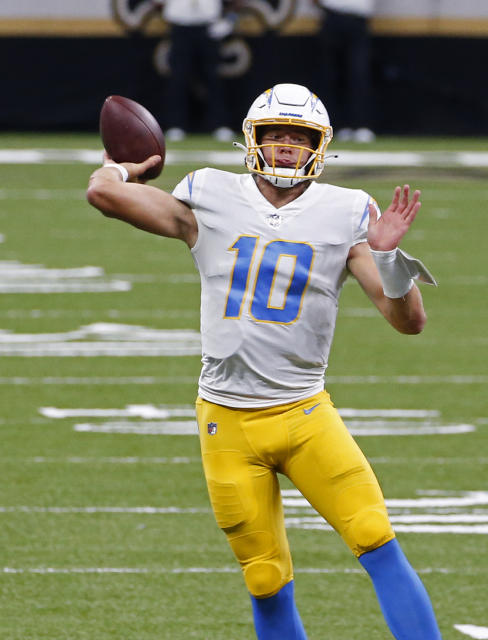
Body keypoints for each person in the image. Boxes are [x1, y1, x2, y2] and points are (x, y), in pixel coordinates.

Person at [86, 82, 442, 640]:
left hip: (304, 415)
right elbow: (103, 196)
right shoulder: (208, 194)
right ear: (252, 140)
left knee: (377, 540)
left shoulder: (349, 212)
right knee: (265, 578)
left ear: (318, 146)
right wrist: (123, 167)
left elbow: (408, 321)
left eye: (297, 137)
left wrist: (388, 255)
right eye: (274, 135)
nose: (283, 147)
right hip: (225, 421)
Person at [155, 0, 235, 142]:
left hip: (209, 27)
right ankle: (176, 124)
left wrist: (230, 19)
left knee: (213, 79)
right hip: (180, 27)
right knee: (178, 78)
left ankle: (219, 125)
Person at [314, 0, 377, 142]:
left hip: (358, 19)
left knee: (359, 75)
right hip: (332, 16)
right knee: (330, 76)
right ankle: (335, 125)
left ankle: (361, 125)